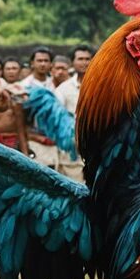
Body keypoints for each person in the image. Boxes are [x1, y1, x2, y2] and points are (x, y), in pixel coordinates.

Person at [55, 45, 92, 181]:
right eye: (80, 59)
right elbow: (58, 120)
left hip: (98, 146)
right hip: (72, 149)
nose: (84, 62)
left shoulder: (102, 85)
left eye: (88, 59)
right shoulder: (63, 89)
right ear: (72, 62)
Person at [21, 47, 58, 168]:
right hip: (34, 139)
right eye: (39, 60)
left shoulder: (56, 84)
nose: (43, 64)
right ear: (32, 63)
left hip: (56, 139)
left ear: (51, 64)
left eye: (46, 61)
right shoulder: (24, 86)